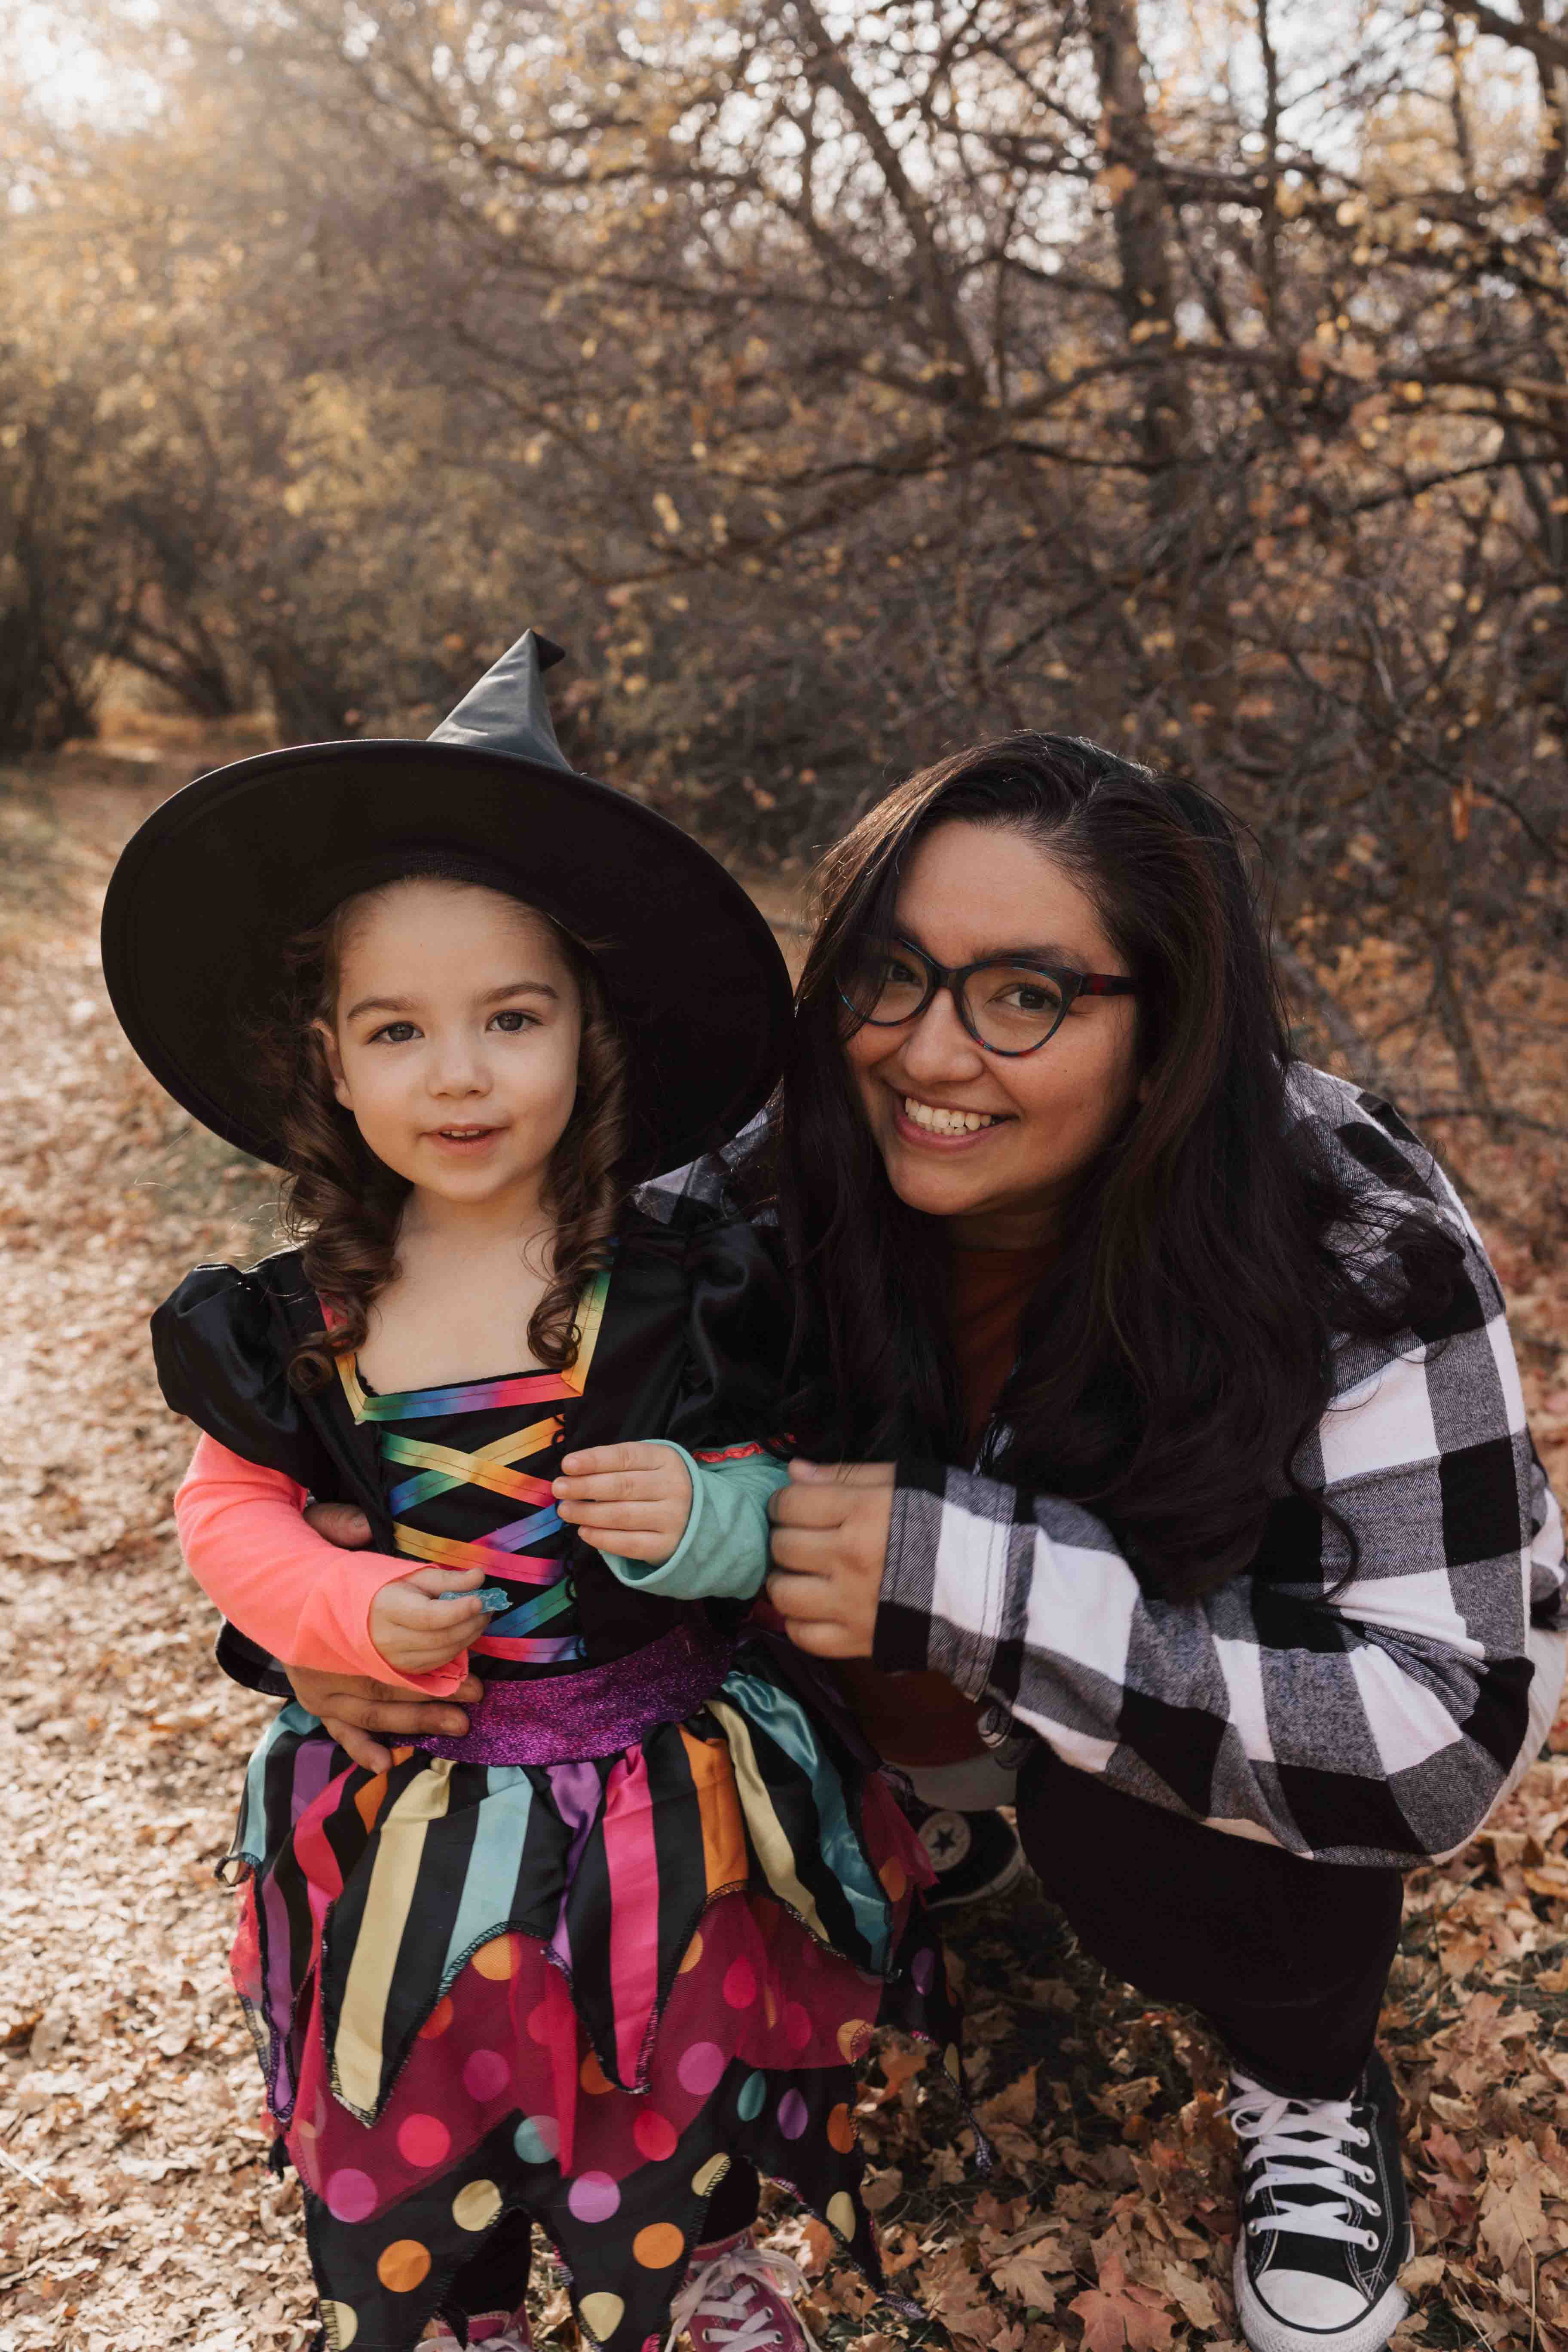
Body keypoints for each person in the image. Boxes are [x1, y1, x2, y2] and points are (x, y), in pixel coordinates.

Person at [198, 731, 1565, 2352]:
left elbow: (1443, 1737)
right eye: (890, 976)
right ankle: (921, 1812)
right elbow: (478, 1407)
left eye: (1025, 996)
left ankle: (1308, 2077)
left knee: (1159, 1852)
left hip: (1170, 1745)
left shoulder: (1350, 1237)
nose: (929, 1054)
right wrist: (323, 1619)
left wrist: (957, 1574)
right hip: (842, 1707)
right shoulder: (769, 1173)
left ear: (1170, 1015)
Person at [101, 632, 965, 2352]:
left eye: (512, 1018)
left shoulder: (684, 1283)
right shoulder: (305, 1315)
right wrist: (339, 1607)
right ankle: (455, 2304)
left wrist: (715, 1511)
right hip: (416, 1798)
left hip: (660, 1785)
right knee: (428, 2073)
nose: (463, 1074)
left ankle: (699, 2270)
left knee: (668, 2063)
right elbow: (228, 1515)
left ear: (592, 1033)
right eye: (399, 1030)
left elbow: (793, 1476)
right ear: (331, 1064)